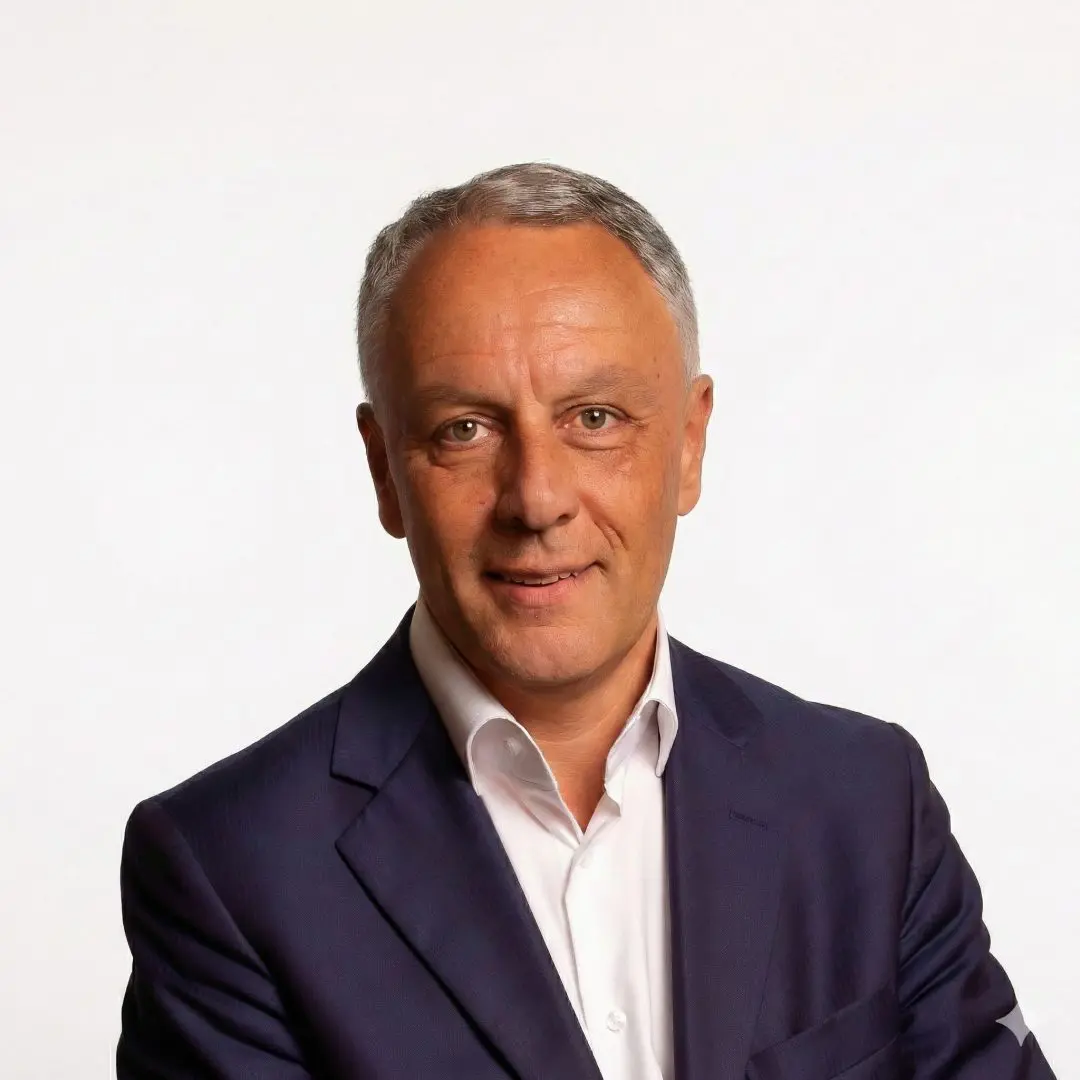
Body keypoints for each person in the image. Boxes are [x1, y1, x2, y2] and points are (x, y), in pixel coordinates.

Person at [116, 162, 1056, 1080]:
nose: (537, 498)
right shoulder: (229, 868)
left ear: (689, 444)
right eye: (464, 429)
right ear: (383, 470)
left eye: (595, 418)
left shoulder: (865, 802)